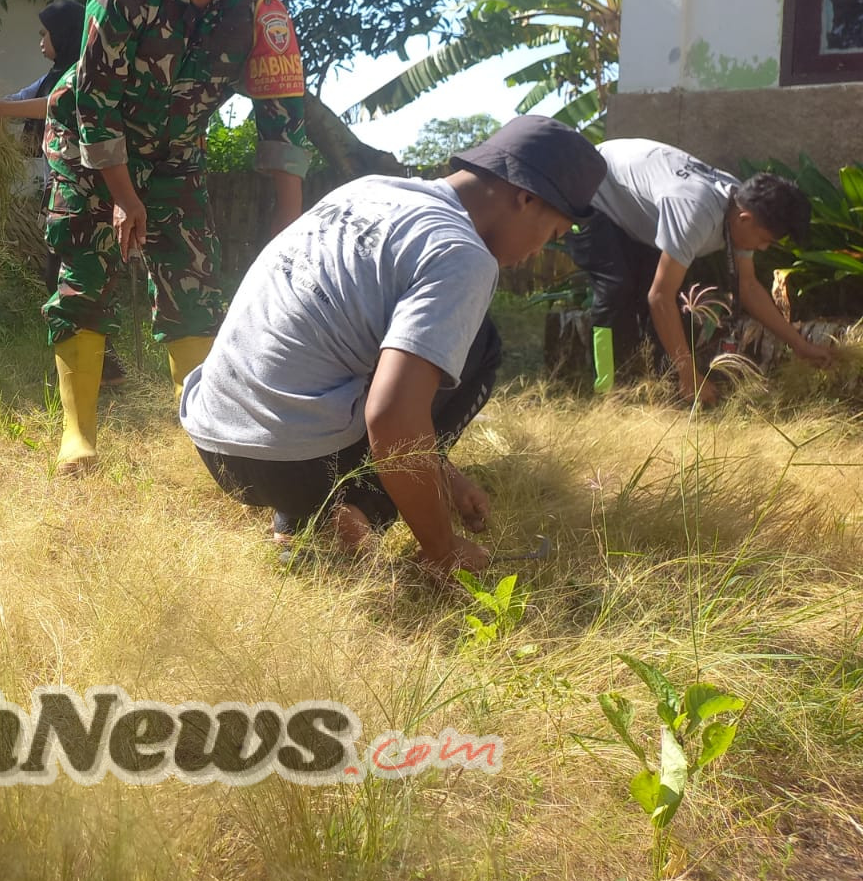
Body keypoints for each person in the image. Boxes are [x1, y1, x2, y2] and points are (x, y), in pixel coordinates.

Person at [179, 116, 607, 578]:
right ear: (526, 198)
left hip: (217, 441)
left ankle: (306, 519)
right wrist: (443, 547)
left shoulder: (369, 191)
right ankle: (342, 509)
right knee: (481, 345)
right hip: (290, 462)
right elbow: (391, 415)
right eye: (553, 235)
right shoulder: (462, 254)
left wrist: (444, 474)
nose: (540, 252)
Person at [43, 0, 312, 474]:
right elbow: (95, 102)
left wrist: (287, 224)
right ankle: (78, 438)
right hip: (90, 146)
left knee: (193, 286)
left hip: (173, 155)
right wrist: (121, 195)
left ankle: (211, 446)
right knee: (87, 271)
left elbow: (282, 117)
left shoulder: (257, 16)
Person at [566, 137, 834, 404]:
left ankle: (665, 393)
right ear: (744, 219)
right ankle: (610, 394)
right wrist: (690, 375)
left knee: (673, 301)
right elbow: (659, 298)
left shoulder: (741, 208)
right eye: (765, 240)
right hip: (590, 189)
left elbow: (748, 285)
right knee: (617, 290)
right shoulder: (696, 212)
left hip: (633, 205)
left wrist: (799, 345)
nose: (763, 248)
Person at [0, 0, 127, 387]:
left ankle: (95, 369)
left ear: (64, 34)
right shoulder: (54, 74)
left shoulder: (81, 74)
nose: (40, 40)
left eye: (45, 33)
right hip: (62, 192)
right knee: (62, 278)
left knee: (67, 278)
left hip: (87, 195)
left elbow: (49, 107)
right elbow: (23, 101)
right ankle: (101, 367)